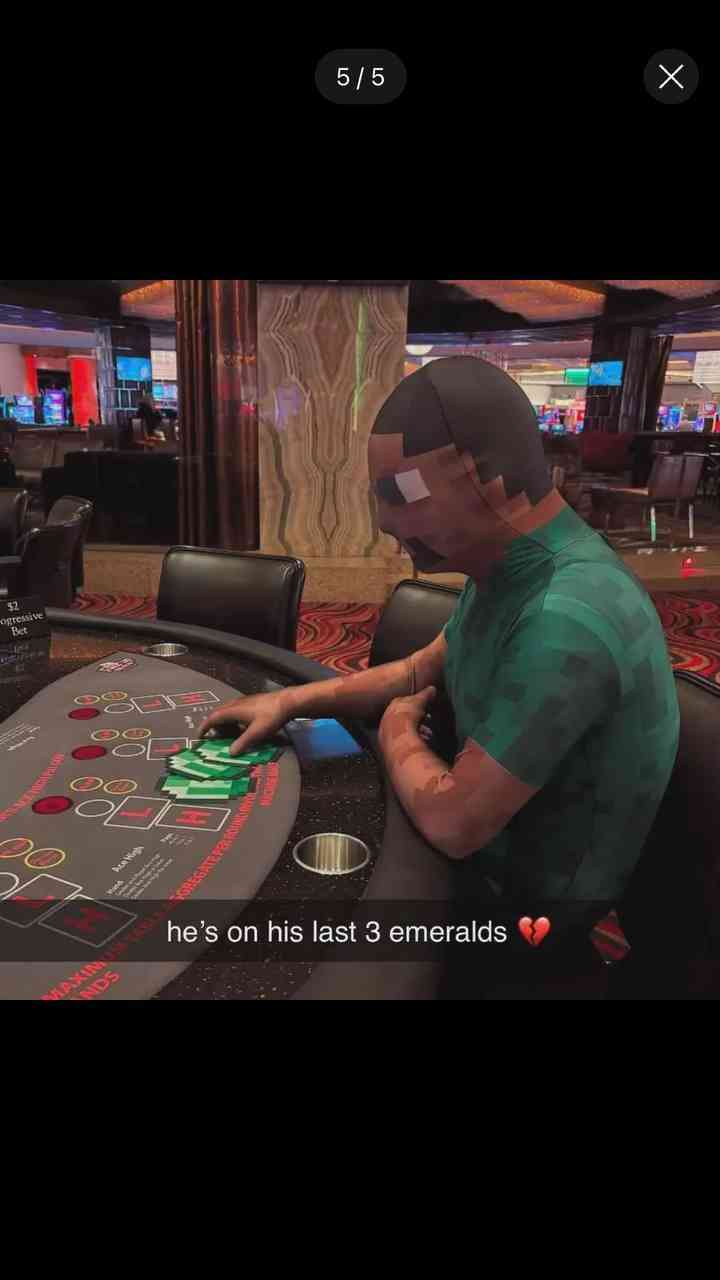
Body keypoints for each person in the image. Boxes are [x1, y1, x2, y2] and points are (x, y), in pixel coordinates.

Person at [200, 356, 679, 992]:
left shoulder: (567, 614)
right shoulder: (508, 568)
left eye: (401, 493)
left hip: (516, 927)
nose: (384, 521)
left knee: (270, 935)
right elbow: (417, 670)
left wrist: (398, 731)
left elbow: (455, 822)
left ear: (486, 477)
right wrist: (289, 702)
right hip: (477, 872)